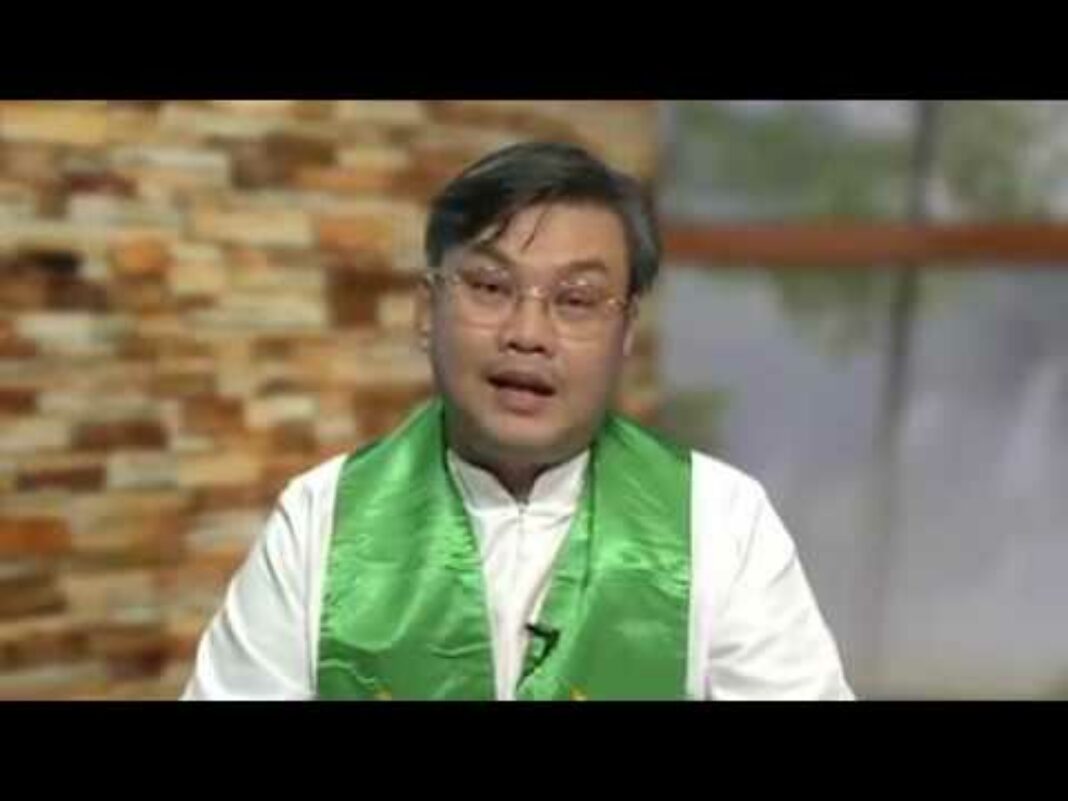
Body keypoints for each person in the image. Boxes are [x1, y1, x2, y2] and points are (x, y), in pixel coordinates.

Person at [182, 141, 853, 701]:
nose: (528, 334)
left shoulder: (721, 522)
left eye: (577, 299)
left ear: (625, 331)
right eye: (491, 287)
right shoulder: (321, 520)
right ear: (426, 310)